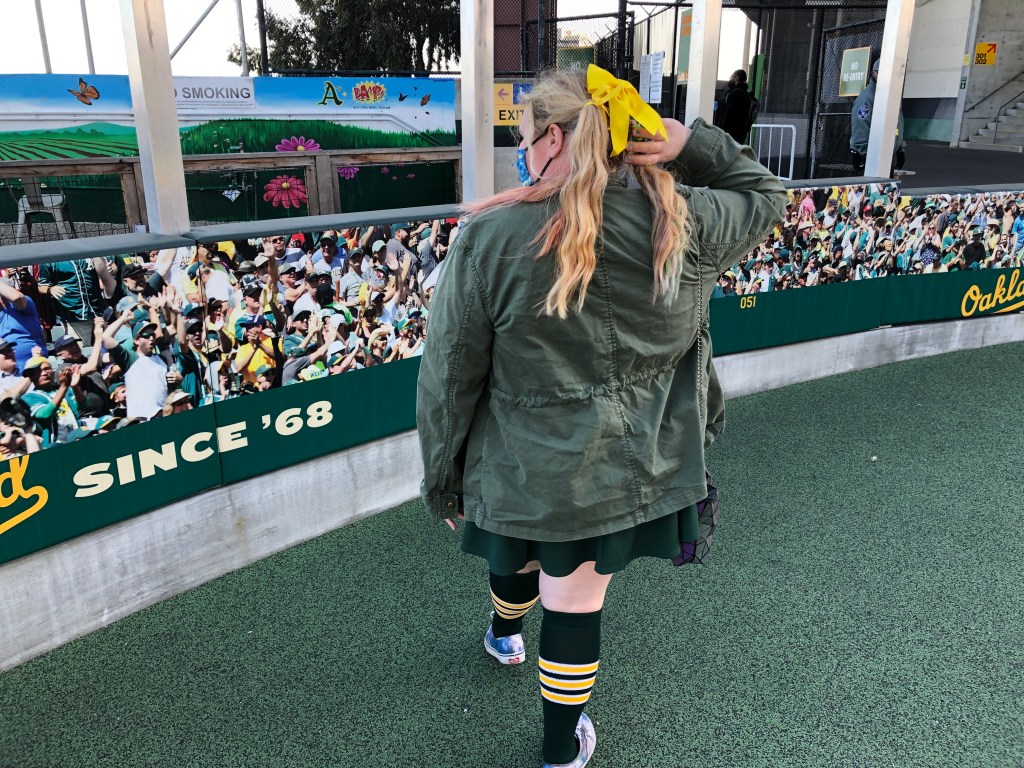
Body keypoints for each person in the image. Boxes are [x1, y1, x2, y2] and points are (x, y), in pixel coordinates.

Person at [417, 65, 785, 768]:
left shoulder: (490, 237)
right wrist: (688, 143)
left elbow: (449, 375)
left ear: (553, 139)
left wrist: (442, 478)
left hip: (522, 467)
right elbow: (767, 195)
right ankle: (561, 751)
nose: (522, 153)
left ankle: (503, 633)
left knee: (518, 556)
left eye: (524, 140)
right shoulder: (684, 218)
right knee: (576, 603)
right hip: (633, 464)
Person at [850, 59, 907, 176]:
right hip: (871, 158)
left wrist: (900, 148)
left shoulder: (890, 96)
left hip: (885, 157)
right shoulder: (866, 100)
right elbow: (860, 130)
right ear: (874, 74)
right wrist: (868, 157)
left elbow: (897, 123)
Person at [714, 69, 755, 144]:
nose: (730, 79)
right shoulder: (745, 94)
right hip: (740, 135)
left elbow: (728, 116)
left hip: (730, 136)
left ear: (736, 78)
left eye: (731, 77)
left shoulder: (735, 93)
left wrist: (721, 133)